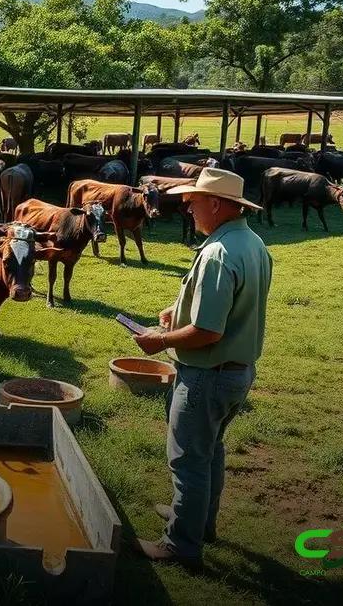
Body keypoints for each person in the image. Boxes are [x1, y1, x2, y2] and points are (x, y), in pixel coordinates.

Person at [132, 167, 273, 569]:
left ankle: (180, 545)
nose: (187, 209)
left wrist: (159, 341)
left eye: (193, 202)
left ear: (216, 203)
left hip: (207, 375)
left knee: (188, 459)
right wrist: (178, 310)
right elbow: (236, 304)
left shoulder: (217, 252)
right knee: (210, 451)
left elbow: (209, 331)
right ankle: (199, 522)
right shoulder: (252, 242)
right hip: (238, 371)